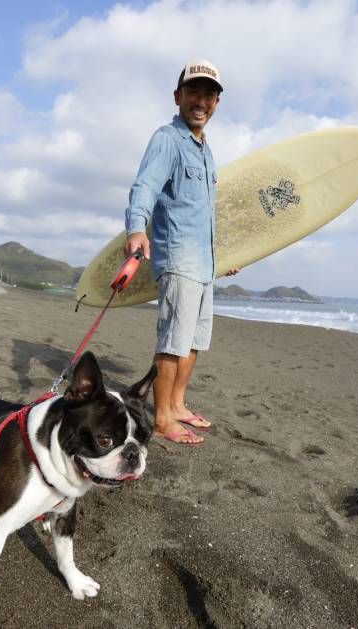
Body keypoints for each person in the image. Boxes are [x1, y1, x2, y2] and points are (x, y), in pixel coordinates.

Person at [124, 60, 238, 445]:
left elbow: (204, 214)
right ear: (178, 96)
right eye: (194, 92)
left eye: (209, 94)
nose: (201, 101)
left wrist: (221, 257)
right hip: (178, 259)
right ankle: (161, 419)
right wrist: (137, 229)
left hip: (203, 263)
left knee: (193, 340)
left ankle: (177, 405)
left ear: (217, 102)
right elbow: (145, 188)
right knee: (173, 341)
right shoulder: (167, 139)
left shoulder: (206, 151)